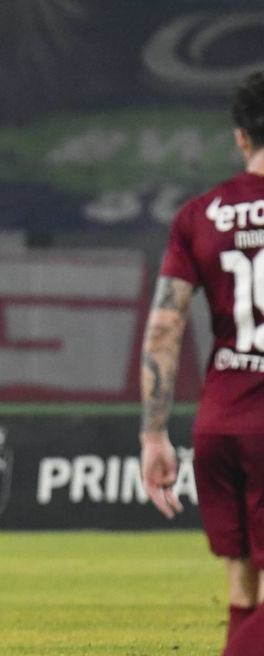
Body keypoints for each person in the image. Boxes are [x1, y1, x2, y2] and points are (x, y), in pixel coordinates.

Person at [139, 70, 264, 656]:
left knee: (242, 587)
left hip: (220, 424)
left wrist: (153, 434)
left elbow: (165, 327)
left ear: (242, 137)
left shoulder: (199, 216)